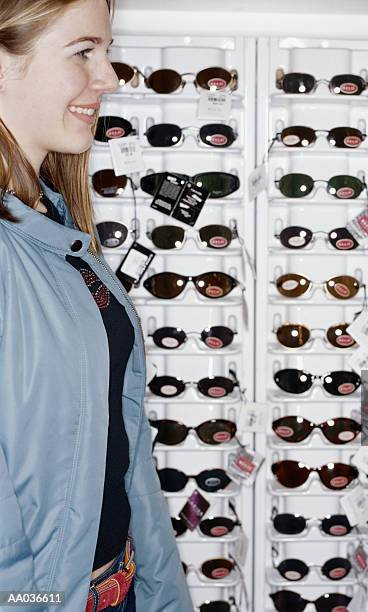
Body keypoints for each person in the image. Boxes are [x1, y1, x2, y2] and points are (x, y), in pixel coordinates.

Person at [0, 1, 191, 610]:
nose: (108, 76)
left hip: (120, 584)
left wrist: (160, 591)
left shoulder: (56, 229)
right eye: (84, 51)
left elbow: (120, 442)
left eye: (105, 51)